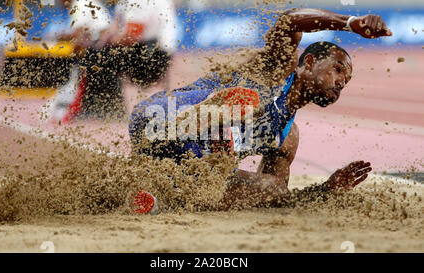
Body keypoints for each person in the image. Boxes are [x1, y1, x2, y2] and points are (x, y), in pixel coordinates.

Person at [129, 8, 393, 213]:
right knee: (248, 103)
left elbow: (274, 198)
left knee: (274, 188)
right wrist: (350, 23)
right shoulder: (276, 70)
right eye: (337, 70)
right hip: (159, 116)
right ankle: (193, 128)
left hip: (185, 167)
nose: (341, 83)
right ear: (309, 62)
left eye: (346, 82)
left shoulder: (287, 136)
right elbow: (289, 21)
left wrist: (326, 189)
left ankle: (158, 192)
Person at [49, 0, 112, 122]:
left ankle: (72, 111)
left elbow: (78, 36)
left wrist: (61, 38)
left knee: (77, 77)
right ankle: (96, 110)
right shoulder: (86, 2)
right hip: (105, 48)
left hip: (99, 49)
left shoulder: (79, 5)